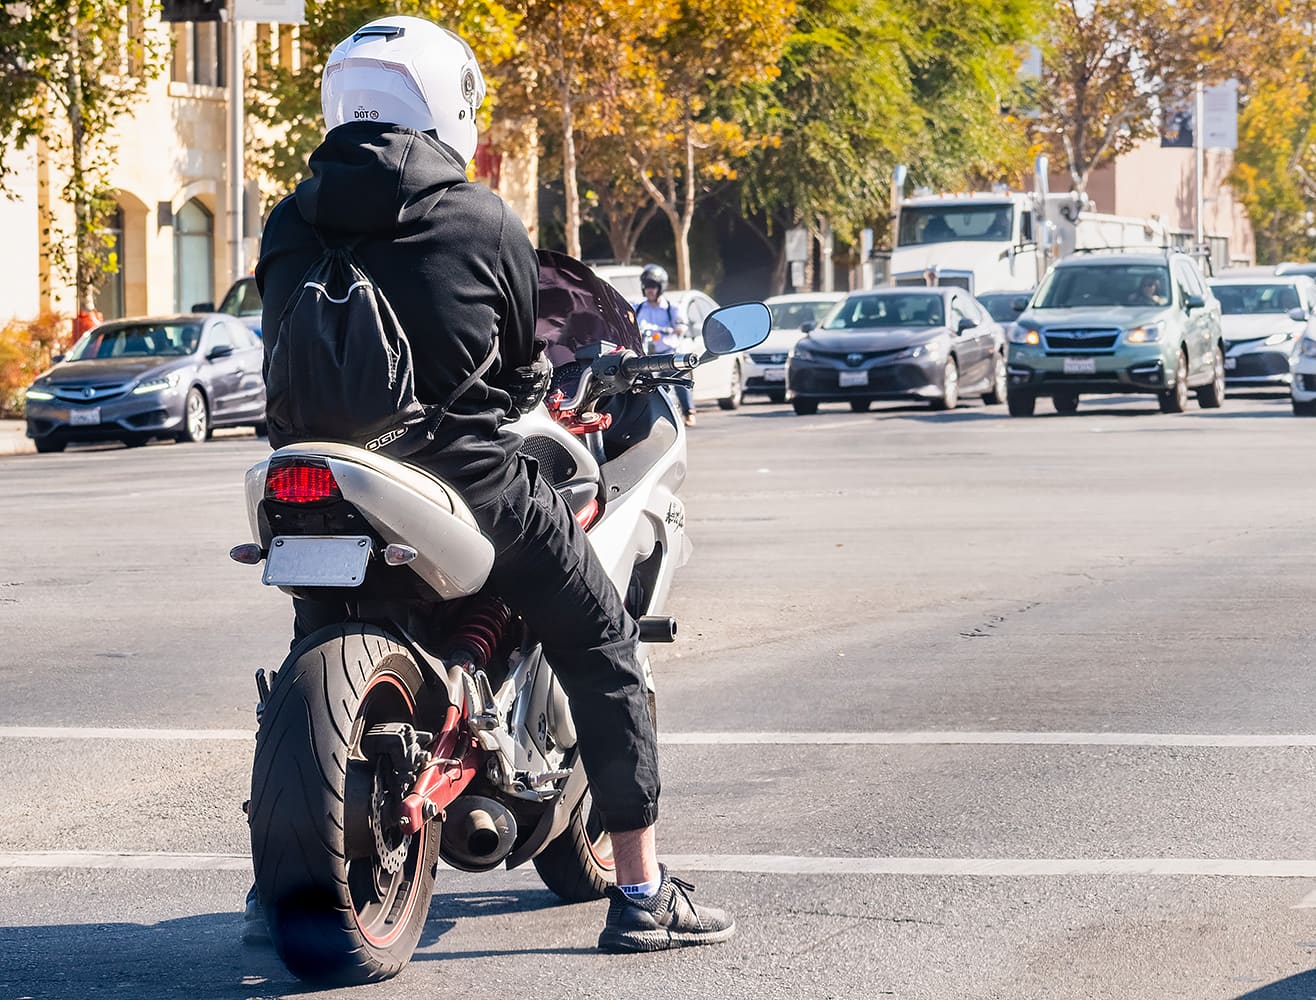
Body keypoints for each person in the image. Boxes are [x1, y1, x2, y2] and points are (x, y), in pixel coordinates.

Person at [246, 15, 732, 954]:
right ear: (443, 106)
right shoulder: (476, 216)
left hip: (311, 482)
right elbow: (516, 369)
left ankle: (277, 899)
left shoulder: (287, 218)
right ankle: (640, 891)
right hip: (463, 478)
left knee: (305, 639)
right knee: (598, 635)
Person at [633, 264, 696, 426]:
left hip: (668, 355)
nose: (649, 290)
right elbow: (627, 320)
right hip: (647, 357)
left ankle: (689, 412)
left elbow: (682, 326)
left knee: (680, 377)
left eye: (653, 286)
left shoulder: (672, 308)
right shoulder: (638, 308)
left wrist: (674, 329)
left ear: (661, 287)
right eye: (646, 286)